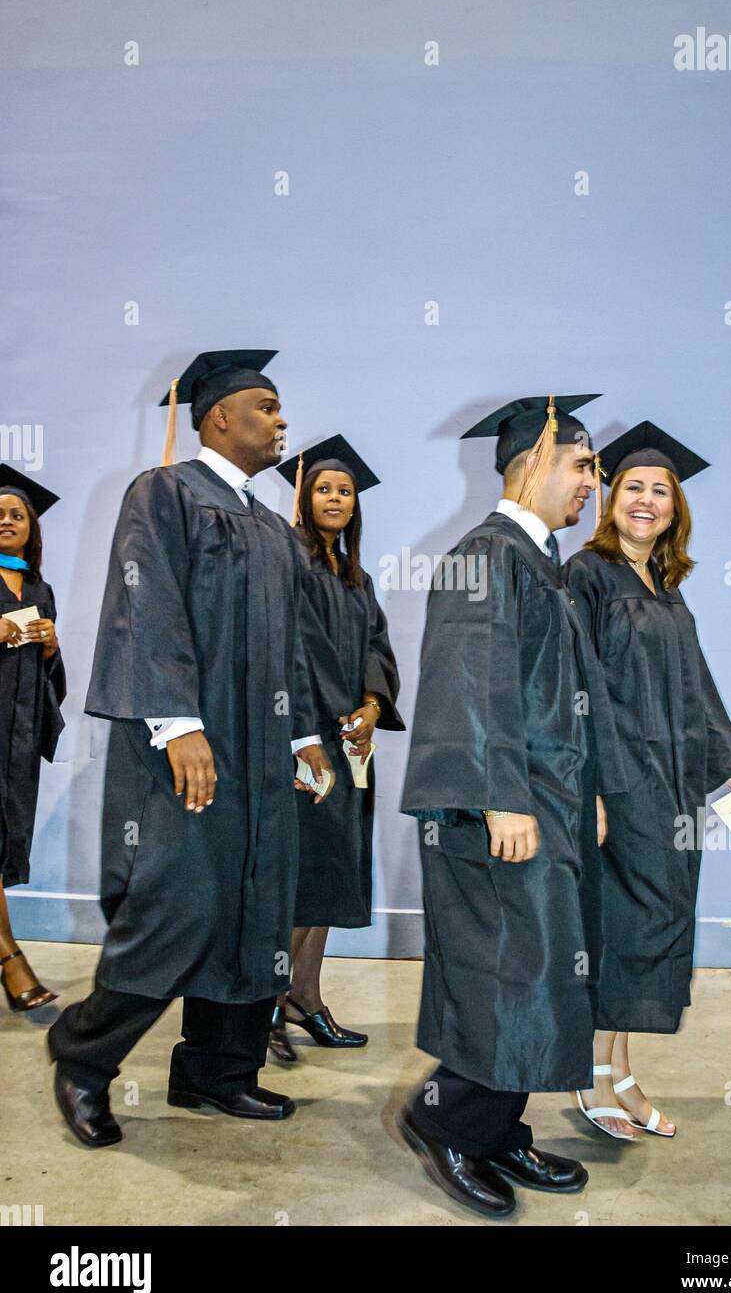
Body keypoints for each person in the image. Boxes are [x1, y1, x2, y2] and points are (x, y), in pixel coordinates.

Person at [47, 349, 333, 1149]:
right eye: (267, 408)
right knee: (179, 908)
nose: (282, 422)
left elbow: (293, 648)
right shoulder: (164, 494)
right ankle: (83, 1058)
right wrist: (177, 724)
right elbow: (147, 607)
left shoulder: (276, 530)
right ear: (218, 417)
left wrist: (306, 735)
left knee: (255, 905)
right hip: (189, 748)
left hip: (262, 752)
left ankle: (217, 1070)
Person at [399, 394, 628, 1219]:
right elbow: (472, 680)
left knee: (538, 973)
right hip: (498, 813)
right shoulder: (486, 555)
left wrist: (589, 791)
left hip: (548, 804)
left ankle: (498, 1124)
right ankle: (445, 1123)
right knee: (503, 974)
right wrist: (501, 799)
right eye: (581, 465)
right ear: (531, 462)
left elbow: (561, 694)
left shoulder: (543, 565)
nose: (591, 486)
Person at [563, 421, 731, 1140]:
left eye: (659, 491)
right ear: (610, 500)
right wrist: (599, 789)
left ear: (675, 508)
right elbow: (580, 689)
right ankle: (599, 1081)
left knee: (652, 924)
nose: (645, 500)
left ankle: (620, 1068)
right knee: (622, 926)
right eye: (632, 487)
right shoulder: (586, 574)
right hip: (625, 782)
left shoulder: (663, 584)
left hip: (670, 785)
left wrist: (729, 768)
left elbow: (696, 685)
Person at [268, 436, 404, 1059]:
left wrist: (373, 708)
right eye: (323, 488)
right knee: (299, 878)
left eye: (344, 491)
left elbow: (377, 648)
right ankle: (265, 1003)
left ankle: (305, 996)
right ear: (302, 497)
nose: (335, 498)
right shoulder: (286, 565)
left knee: (329, 873)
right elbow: (283, 655)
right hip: (303, 743)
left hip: (351, 746)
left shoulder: (359, 580)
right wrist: (303, 734)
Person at [0, 466, 66, 1012]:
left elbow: (53, 678)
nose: (6, 521)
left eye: (17, 515)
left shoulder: (40, 589)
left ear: (31, 529)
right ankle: (9, 958)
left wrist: (48, 646)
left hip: (18, 740)